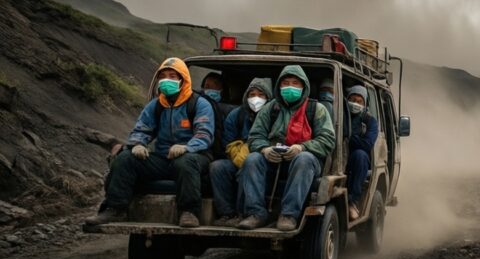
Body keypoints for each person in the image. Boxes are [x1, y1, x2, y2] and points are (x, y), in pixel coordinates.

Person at [85, 58, 214, 228]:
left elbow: (204, 135)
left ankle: (189, 212)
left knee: (185, 162)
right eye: (164, 76)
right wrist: (137, 144)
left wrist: (186, 147)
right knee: (125, 158)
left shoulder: (199, 104)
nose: (167, 80)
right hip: (163, 158)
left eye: (173, 76)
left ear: (183, 80)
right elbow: (141, 129)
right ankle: (114, 209)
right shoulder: (156, 105)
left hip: (195, 157)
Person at [238, 66, 336, 231]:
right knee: (252, 159)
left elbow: (327, 140)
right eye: (285, 83)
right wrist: (264, 150)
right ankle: (256, 213)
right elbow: (254, 136)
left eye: (295, 83)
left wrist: (302, 147)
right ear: (279, 86)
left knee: (303, 159)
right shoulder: (271, 108)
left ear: (303, 87)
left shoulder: (317, 109)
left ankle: (289, 215)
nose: (290, 87)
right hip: (273, 159)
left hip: (306, 162)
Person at [210, 77, 272, 227]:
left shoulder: (274, 114)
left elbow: (277, 139)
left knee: (249, 163)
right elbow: (227, 141)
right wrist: (238, 152)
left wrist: (252, 150)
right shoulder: (237, 115)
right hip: (237, 159)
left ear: (268, 97)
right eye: (252, 94)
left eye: (261, 95)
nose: (255, 98)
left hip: (265, 162)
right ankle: (226, 213)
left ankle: (244, 213)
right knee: (217, 167)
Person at [344, 85, 378, 221]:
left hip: (355, 158)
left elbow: (367, 144)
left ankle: (352, 202)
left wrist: (348, 138)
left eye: (359, 101)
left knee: (361, 155)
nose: (355, 103)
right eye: (352, 99)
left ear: (365, 104)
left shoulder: (369, 120)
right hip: (336, 155)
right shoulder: (341, 115)